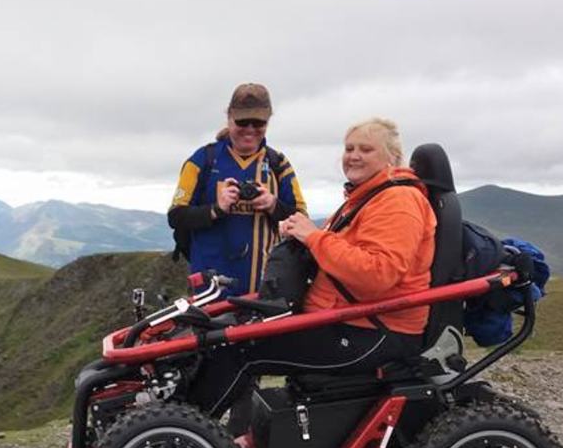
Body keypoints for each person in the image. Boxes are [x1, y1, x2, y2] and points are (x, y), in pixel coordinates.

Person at [191, 117, 437, 429]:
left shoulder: (399, 201)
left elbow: (378, 274)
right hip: (346, 318)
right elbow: (339, 253)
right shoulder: (367, 197)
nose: (354, 156)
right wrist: (301, 236)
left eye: (366, 149)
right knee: (220, 333)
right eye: (349, 148)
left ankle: (182, 443)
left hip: (372, 331)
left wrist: (314, 237)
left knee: (239, 349)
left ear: (392, 158)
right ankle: (181, 430)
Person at [168, 83, 307, 295]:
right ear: (229, 117)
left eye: (259, 122)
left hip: (262, 291)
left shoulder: (278, 164)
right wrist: (216, 209)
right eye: (242, 121)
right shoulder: (203, 160)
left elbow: (302, 220)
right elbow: (176, 217)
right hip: (209, 292)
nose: (250, 129)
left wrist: (272, 205)